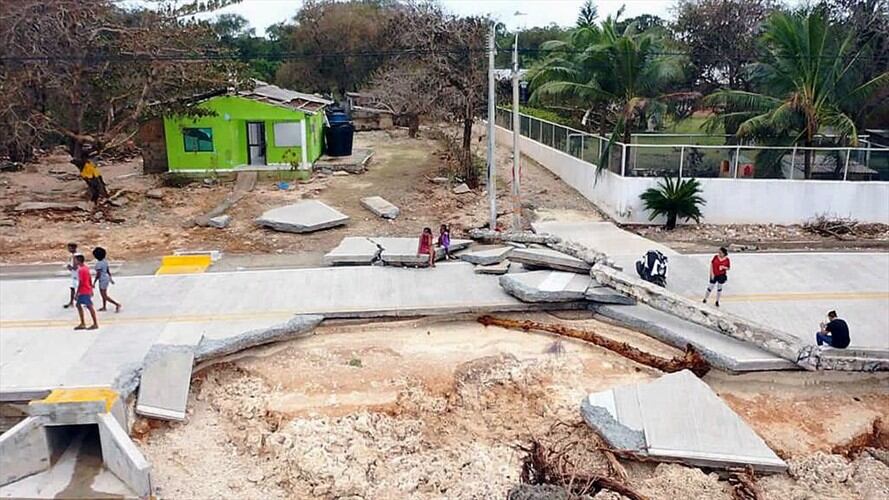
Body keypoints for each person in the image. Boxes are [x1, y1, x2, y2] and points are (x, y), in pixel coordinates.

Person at [92, 247, 121, 313]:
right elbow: (108, 270)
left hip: (102, 280)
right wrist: (110, 278)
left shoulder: (98, 264)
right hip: (106, 278)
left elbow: (98, 274)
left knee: (104, 295)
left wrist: (94, 282)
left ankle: (117, 304)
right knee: (104, 293)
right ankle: (104, 306)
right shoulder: (105, 261)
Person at [73, 254, 98, 330]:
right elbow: (89, 279)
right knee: (79, 305)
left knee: (89, 306)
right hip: (87, 289)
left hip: (84, 291)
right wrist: (91, 288)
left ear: (78, 261)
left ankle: (94, 323)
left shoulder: (81, 270)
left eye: (76, 260)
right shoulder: (86, 268)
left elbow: (81, 282)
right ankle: (83, 322)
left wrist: (77, 293)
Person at [63, 242, 78, 308]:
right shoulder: (75, 255)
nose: (68, 249)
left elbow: (75, 267)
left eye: (69, 248)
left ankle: (72, 302)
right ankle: (72, 302)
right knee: (73, 288)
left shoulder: (75, 256)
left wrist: (69, 267)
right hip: (75, 274)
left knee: (73, 288)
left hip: (76, 275)